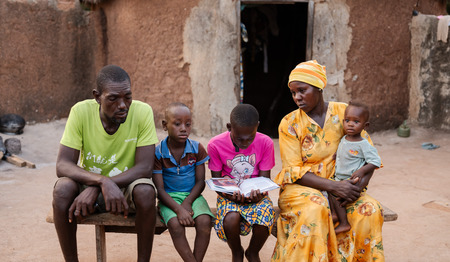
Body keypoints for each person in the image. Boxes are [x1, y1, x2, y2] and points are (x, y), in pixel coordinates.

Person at [271, 60, 385, 262]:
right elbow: (293, 171)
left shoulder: (344, 113)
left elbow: (369, 155)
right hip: (302, 188)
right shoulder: (289, 123)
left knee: (370, 210)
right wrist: (334, 187)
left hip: (344, 187)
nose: (297, 97)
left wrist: (357, 189)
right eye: (293, 93)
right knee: (315, 209)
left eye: (302, 90)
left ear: (319, 87)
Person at [52, 65, 159, 262]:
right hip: (89, 186)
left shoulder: (142, 112)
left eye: (127, 97)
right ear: (97, 96)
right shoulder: (80, 112)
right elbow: (63, 165)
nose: (122, 105)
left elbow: (145, 167)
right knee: (62, 189)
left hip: (125, 186)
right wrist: (101, 182)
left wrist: (104, 184)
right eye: (113, 98)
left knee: (145, 192)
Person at [207, 104, 276, 262]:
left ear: (257, 126)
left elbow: (264, 180)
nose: (245, 143)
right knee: (231, 219)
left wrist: (257, 197)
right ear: (229, 127)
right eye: (239, 138)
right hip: (228, 195)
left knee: (265, 220)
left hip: (257, 196)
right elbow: (217, 182)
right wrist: (231, 196)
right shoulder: (215, 145)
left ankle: (253, 252)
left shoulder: (266, 143)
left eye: (250, 138)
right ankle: (236, 251)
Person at [152, 102, 214, 262]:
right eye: (177, 123)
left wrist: (187, 202)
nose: (183, 128)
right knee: (174, 225)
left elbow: (200, 181)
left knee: (205, 221)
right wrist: (178, 209)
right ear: (165, 125)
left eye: (188, 124)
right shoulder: (158, 152)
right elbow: (159, 188)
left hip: (193, 197)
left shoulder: (196, 148)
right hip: (169, 199)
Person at [328, 101, 382, 234]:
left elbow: (375, 161)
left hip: (350, 180)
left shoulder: (363, 144)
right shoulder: (345, 138)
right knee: (330, 191)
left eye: (356, 122)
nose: (350, 124)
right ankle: (335, 213)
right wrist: (337, 155)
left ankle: (344, 223)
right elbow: (344, 151)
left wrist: (361, 170)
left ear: (365, 126)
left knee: (337, 195)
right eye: (347, 120)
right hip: (339, 177)